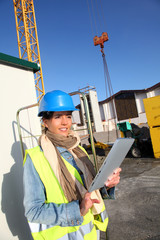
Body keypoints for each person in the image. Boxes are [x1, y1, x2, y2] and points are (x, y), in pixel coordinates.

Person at [23, 90, 121, 240]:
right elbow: (34, 211)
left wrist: (106, 185)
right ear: (45, 122)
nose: (65, 122)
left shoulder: (78, 149)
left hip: (90, 233)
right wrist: (78, 209)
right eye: (57, 117)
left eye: (68, 116)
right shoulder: (35, 158)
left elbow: (91, 193)